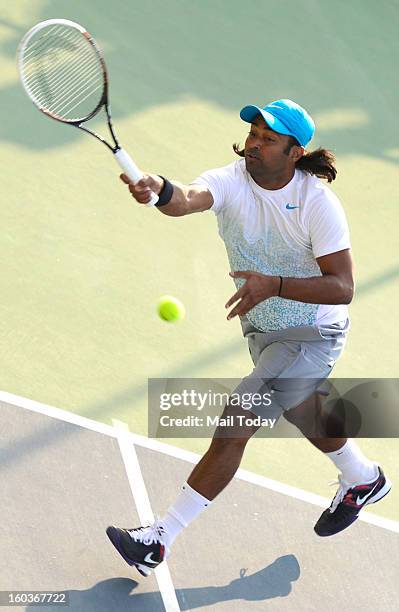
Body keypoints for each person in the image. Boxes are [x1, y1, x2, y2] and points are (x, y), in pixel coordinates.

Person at [106, 99, 391, 577]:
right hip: (265, 326)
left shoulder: (317, 204)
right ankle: (363, 478)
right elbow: (189, 198)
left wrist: (273, 284)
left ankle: (160, 538)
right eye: (254, 133)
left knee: (236, 422)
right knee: (304, 408)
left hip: (312, 332)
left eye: (269, 139)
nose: (255, 144)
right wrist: (158, 190)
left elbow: (343, 287)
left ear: (295, 153)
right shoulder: (231, 179)